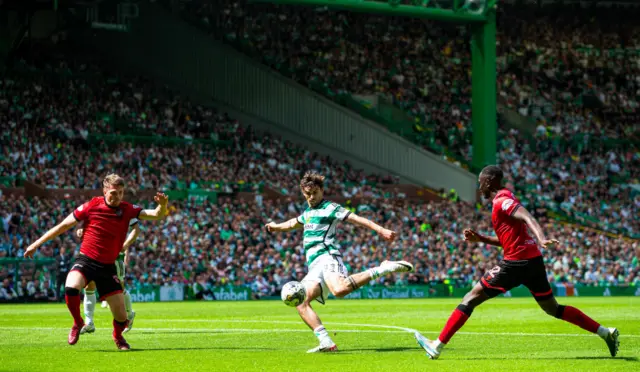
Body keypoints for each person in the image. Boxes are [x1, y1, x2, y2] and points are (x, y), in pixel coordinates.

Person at [414, 165, 619, 359]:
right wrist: (481, 239)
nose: (479, 186)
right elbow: (507, 240)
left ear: (490, 181)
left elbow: (527, 216)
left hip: (517, 263)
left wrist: (541, 237)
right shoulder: (505, 198)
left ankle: (437, 346)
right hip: (533, 261)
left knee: (470, 298)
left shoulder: (502, 200)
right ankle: (604, 332)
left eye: (481, 181)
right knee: (552, 308)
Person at [265, 171, 414, 353]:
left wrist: (381, 230)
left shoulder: (331, 208)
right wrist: (275, 226)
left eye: (314, 194)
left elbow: (358, 219)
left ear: (321, 190)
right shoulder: (308, 213)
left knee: (340, 290)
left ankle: (382, 269)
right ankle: (326, 342)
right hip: (314, 267)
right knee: (300, 301)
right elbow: (292, 224)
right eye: (307, 195)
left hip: (328, 258)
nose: (311, 198)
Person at [24, 174, 168, 351]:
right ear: (105, 190)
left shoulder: (128, 209)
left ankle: (118, 336)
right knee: (71, 286)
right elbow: (63, 225)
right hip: (87, 260)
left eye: (121, 193)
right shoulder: (92, 205)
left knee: (122, 318)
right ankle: (78, 322)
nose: (117, 197)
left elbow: (155, 214)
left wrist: (162, 205)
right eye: (114, 192)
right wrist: (36, 244)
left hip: (108, 266)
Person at [79, 218, 141, 334]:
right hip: (96, 253)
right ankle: (89, 322)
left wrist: (125, 246)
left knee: (119, 289)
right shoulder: (96, 207)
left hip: (115, 254)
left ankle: (129, 314)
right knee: (89, 285)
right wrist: (83, 231)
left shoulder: (125, 210)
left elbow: (136, 230)